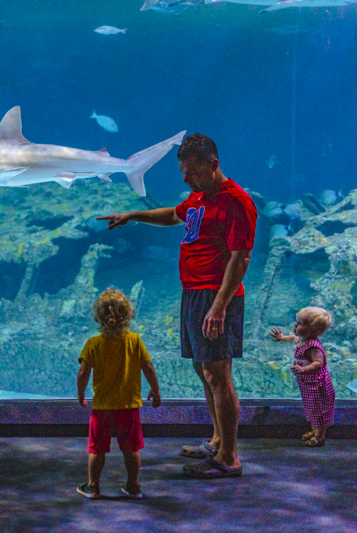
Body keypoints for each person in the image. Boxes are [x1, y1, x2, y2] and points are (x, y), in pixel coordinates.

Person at [97, 133, 257, 479]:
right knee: (204, 370)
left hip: (216, 296)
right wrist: (133, 215)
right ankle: (217, 441)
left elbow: (241, 257)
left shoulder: (236, 201)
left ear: (213, 165)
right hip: (194, 293)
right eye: (183, 172)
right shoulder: (199, 196)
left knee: (218, 374)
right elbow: (174, 214)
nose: (186, 179)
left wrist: (219, 306)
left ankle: (229, 458)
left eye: (193, 172)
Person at [76, 289, 161, 500]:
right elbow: (148, 367)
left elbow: (83, 372)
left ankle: (93, 486)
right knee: (131, 449)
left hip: (102, 408)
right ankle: (133, 486)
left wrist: (80, 394)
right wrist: (155, 390)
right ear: (128, 314)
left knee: (97, 449)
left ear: (98, 316)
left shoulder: (93, 344)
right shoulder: (135, 340)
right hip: (128, 407)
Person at [269, 307, 335, 447]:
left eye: (299, 323)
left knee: (319, 411)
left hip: (318, 386)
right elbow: (293, 338)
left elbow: (318, 363)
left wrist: (304, 369)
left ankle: (320, 436)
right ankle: (315, 430)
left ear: (313, 331)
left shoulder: (313, 346)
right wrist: (281, 338)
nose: (295, 325)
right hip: (308, 385)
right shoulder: (302, 340)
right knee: (312, 409)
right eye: (296, 321)